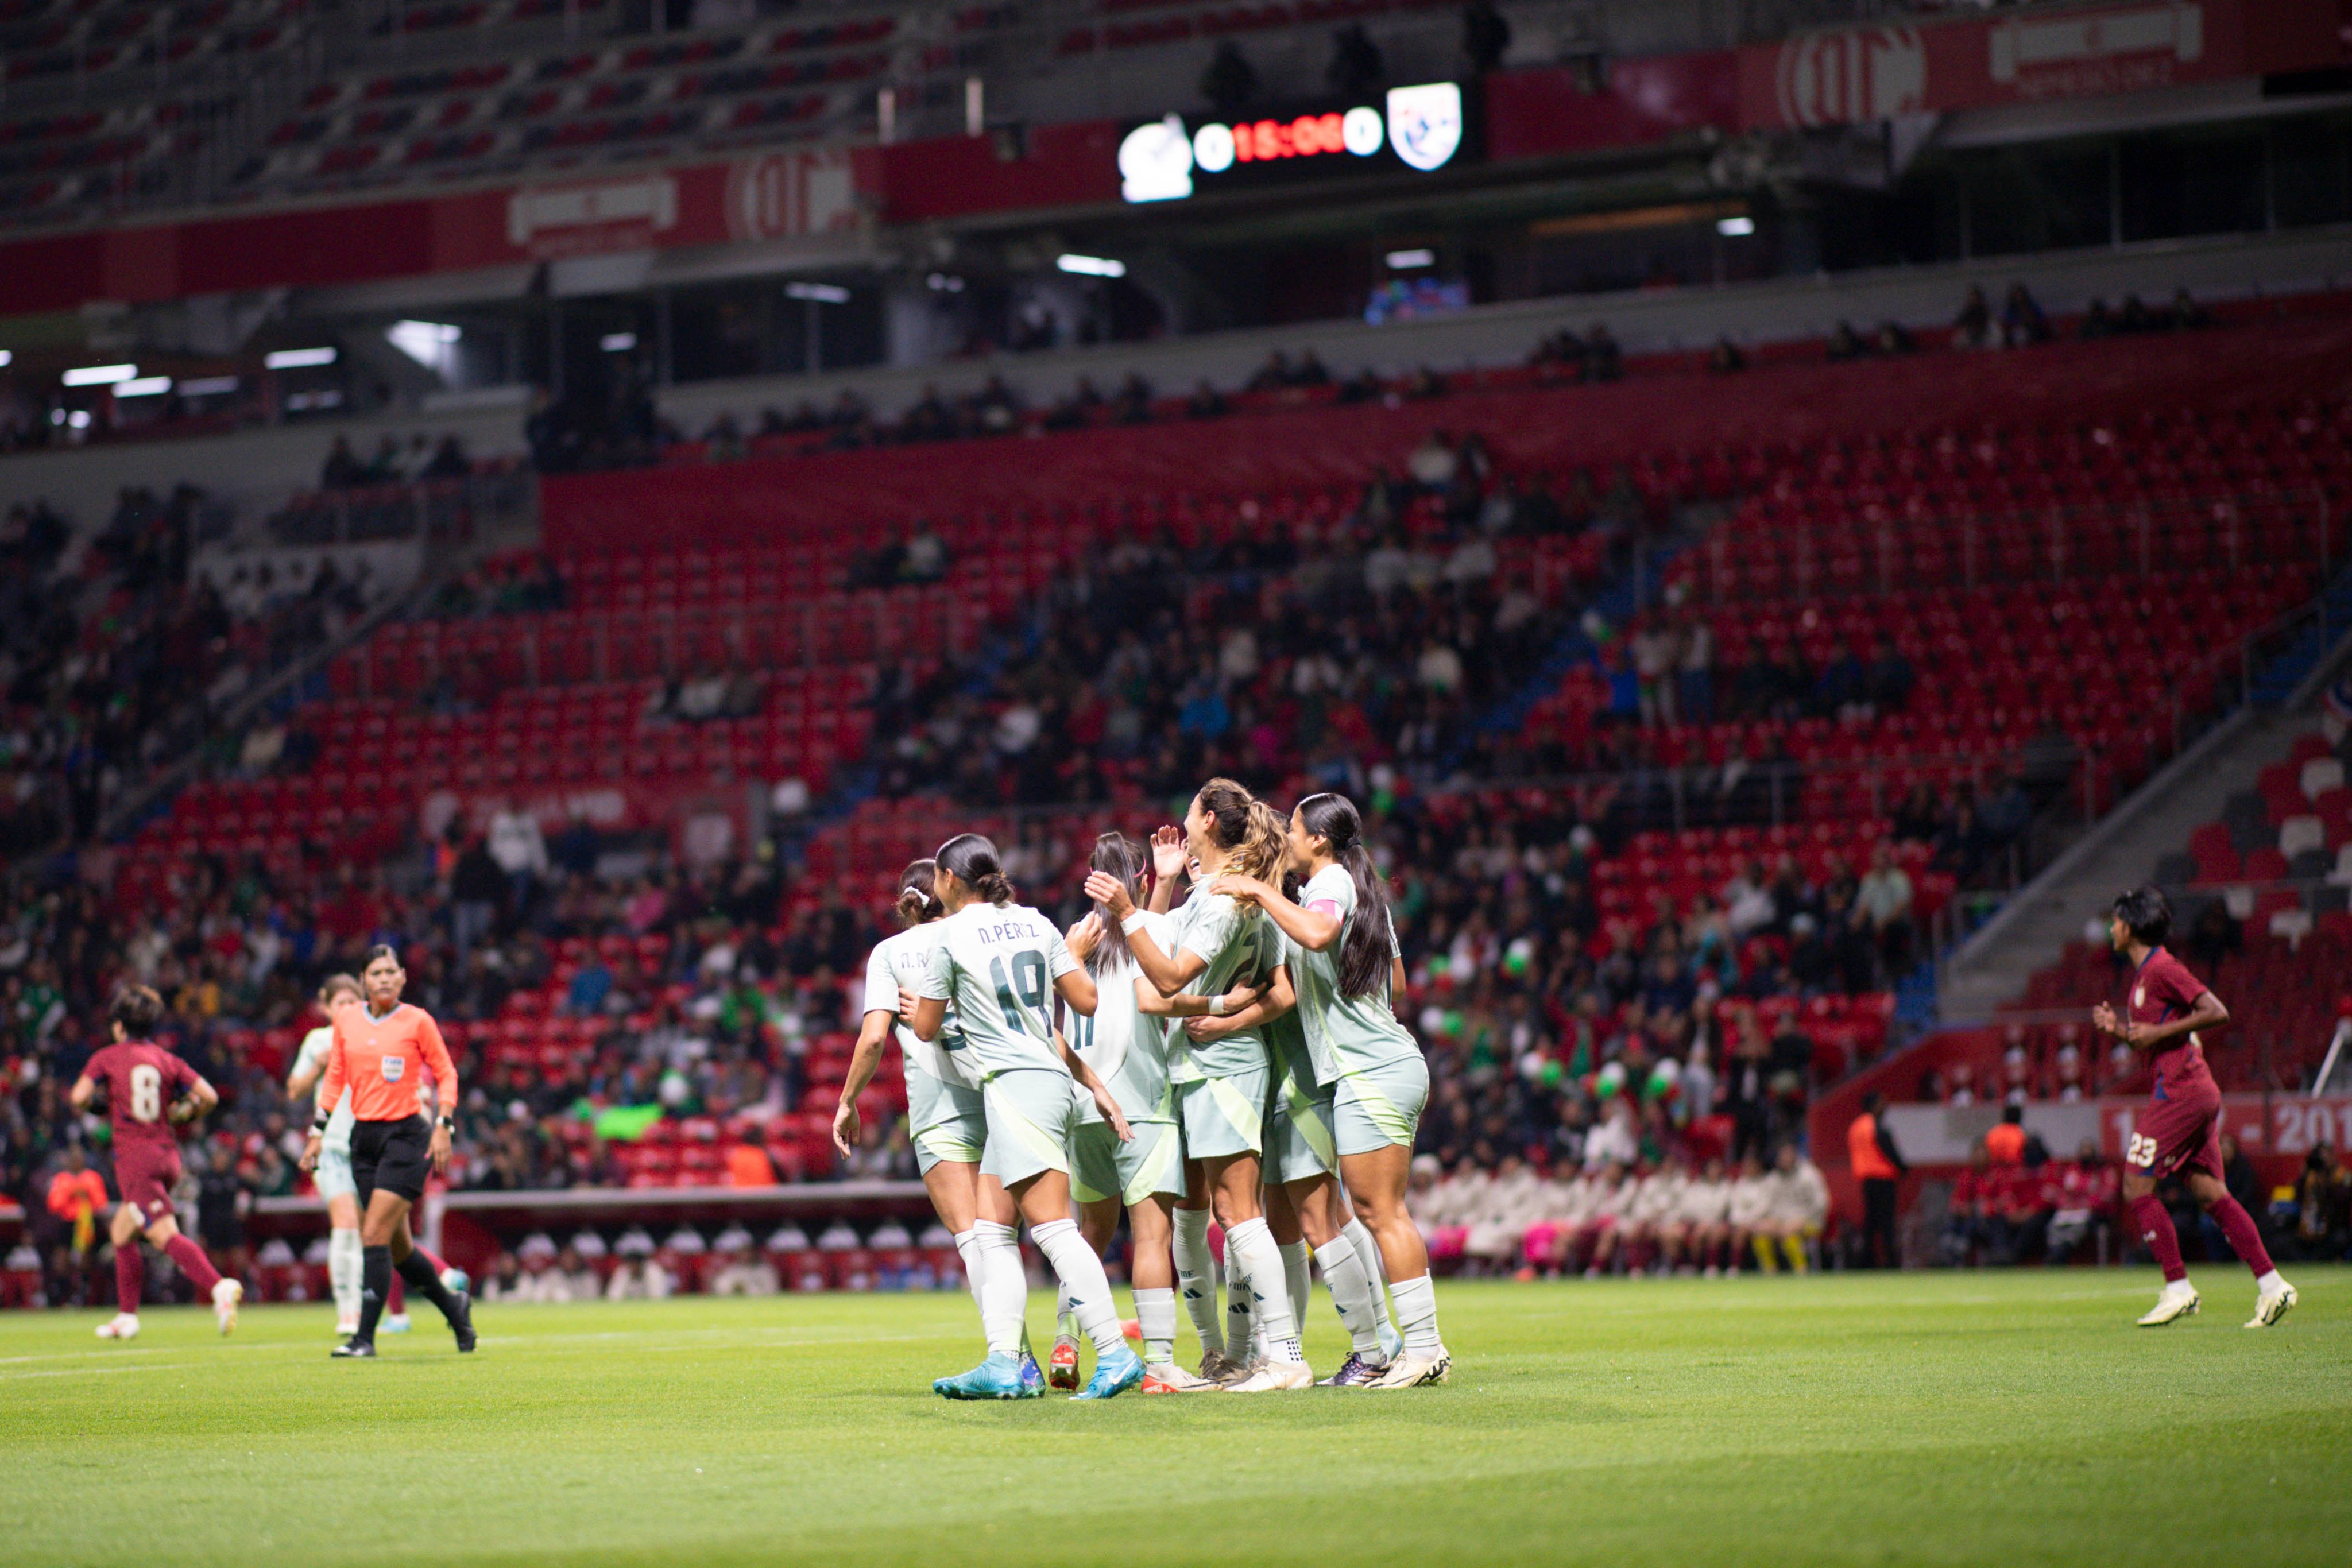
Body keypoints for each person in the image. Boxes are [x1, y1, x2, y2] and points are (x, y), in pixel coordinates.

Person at [1199, 791, 1450, 1388]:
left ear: (1318, 839)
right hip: (1374, 1064)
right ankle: (1393, 1348)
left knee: (1378, 1212)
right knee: (1369, 1210)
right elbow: (1396, 978)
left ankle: (1421, 1347)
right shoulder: (1355, 888)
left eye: (1292, 826)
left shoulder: (1330, 883)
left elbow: (1315, 937)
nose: (1285, 835)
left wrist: (1260, 892)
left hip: (1371, 1069)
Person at [1084, 781, 1306, 1391]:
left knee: (1239, 1212)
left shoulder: (1228, 902)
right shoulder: (1210, 893)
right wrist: (1158, 884)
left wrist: (1128, 913)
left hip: (1224, 1067)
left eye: (1189, 812)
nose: (1181, 820)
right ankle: (1225, 1353)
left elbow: (1165, 975)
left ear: (1207, 819)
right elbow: (1149, 959)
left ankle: (1284, 1354)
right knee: (1198, 1212)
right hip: (1192, 1069)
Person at [906, 834, 1144, 1401]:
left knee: (1054, 1228)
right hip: (1045, 1080)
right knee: (992, 1230)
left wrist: (927, 1005)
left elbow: (923, 1029)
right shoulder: (1037, 922)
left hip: (1014, 1088)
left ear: (946, 879)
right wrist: (1073, 956)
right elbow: (1085, 1000)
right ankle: (1002, 1361)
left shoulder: (951, 934)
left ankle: (1114, 1351)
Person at [833, 858, 1039, 1393]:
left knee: (975, 1244)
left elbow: (875, 1038)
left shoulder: (890, 954)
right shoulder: (979, 932)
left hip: (940, 1112)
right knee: (1010, 1237)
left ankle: (1013, 1360)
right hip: (999, 1094)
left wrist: (848, 1101)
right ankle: (1055, 1351)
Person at [1055, 834, 1219, 1394]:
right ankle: (1160, 1365)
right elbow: (1152, 954)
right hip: (1141, 1105)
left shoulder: (1072, 941)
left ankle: (1064, 1342)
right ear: (1141, 877)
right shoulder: (1160, 932)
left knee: (1086, 1236)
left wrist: (1163, 882)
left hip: (1081, 1107)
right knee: (1152, 1237)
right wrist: (1166, 886)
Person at [2091, 887, 2294, 1328]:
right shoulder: (2145, 975)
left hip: (2180, 1091)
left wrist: (2154, 1032)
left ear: (2130, 925)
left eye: (2115, 920)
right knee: (2210, 1194)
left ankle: (2177, 1287)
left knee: (2135, 1185)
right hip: (2193, 1089)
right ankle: (2272, 1285)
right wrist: (2122, 1032)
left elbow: (2216, 1010)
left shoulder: (2162, 968)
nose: (2111, 927)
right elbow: (2155, 1035)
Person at [300, 944, 477, 1357]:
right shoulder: (347, 1020)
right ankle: (455, 1309)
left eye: (390, 971)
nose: (383, 978)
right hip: (363, 1140)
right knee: (399, 1250)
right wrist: (317, 1131)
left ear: (402, 978)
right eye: (375, 972)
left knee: (373, 1233)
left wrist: (444, 1125)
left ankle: (364, 1338)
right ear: (364, 979)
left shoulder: (417, 1020)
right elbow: (336, 1076)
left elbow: (447, 1072)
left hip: (407, 1137)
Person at [69, 985, 244, 1338]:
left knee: (163, 1232)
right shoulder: (167, 1059)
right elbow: (208, 1096)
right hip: (167, 1155)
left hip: (137, 1159)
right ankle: (127, 1316)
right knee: (122, 1231)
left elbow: (79, 1096)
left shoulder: (108, 1056)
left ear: (119, 1025)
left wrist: (104, 1109)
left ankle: (217, 1286)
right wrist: (182, 1112)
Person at [287, 974, 368, 1335]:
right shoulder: (318, 1040)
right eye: (341, 1003)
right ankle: (347, 1311)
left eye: (355, 1002)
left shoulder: (372, 1038)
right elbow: (294, 1090)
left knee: (369, 1232)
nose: (349, 1009)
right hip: (333, 1145)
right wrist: (318, 1066)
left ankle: (365, 1306)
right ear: (327, 1007)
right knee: (346, 1223)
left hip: (368, 1144)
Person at [1848, 1091, 1905, 1269]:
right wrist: (1903, 1168)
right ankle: (1891, 1262)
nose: (1885, 1106)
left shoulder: (1856, 1127)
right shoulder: (1876, 1126)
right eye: (1882, 1102)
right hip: (1883, 1179)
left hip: (1866, 1180)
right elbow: (1889, 1151)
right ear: (1873, 1105)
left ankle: (1867, 1261)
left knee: (1871, 1223)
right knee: (1887, 1222)